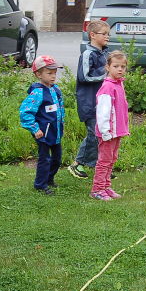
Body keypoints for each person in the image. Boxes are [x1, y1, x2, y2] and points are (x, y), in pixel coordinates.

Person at [67, 21, 110, 179]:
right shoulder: (88, 54)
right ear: (92, 35)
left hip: (103, 103)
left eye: (108, 34)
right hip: (89, 102)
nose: (107, 37)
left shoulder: (105, 54)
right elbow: (84, 76)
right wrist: (106, 73)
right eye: (103, 34)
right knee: (93, 133)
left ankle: (100, 166)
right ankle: (77, 164)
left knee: (103, 134)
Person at [19, 55, 65, 195]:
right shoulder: (37, 92)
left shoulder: (56, 89)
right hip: (42, 133)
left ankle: (49, 179)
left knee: (57, 158)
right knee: (45, 159)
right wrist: (34, 128)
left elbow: (60, 109)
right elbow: (26, 112)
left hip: (55, 131)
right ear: (38, 74)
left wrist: (61, 123)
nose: (53, 76)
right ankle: (40, 184)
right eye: (49, 73)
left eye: (55, 73)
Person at [91, 51, 130, 201]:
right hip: (108, 133)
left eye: (123, 66)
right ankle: (97, 189)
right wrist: (105, 131)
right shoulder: (107, 87)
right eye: (116, 66)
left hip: (117, 131)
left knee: (112, 159)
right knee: (104, 161)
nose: (120, 69)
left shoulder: (119, 84)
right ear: (107, 67)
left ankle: (106, 186)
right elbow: (103, 112)